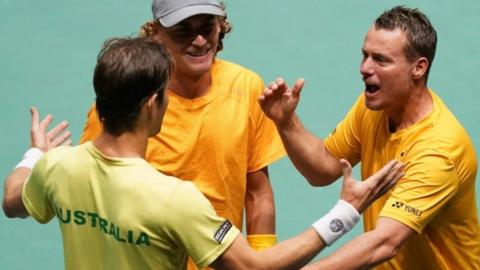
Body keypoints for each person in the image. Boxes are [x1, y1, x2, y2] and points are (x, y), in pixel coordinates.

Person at [3, 37, 405, 270]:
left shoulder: (57, 167)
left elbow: (12, 200)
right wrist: (345, 213)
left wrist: (34, 155)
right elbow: (254, 268)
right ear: (151, 105)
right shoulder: (174, 199)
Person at [259, 5, 480, 270]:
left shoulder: (440, 149)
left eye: (381, 60)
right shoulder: (373, 108)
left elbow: (384, 243)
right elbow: (324, 168)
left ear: (419, 68)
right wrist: (286, 123)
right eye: (364, 55)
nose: (364, 68)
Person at [80, 1, 285, 263]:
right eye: (183, 31)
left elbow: (258, 193)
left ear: (220, 26)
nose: (199, 41)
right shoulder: (125, 102)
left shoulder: (247, 87)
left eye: (207, 28)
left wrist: (260, 260)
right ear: (155, 32)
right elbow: (96, 197)